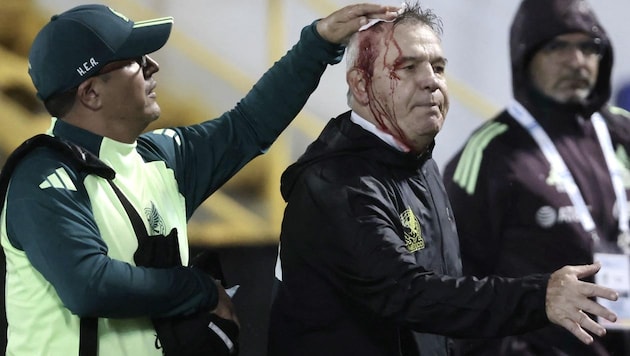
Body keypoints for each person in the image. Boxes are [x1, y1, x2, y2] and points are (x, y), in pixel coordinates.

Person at [0, 3, 400, 356]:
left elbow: (247, 125)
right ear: (91, 93)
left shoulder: (160, 157)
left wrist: (318, 42)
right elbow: (88, 285)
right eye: (133, 59)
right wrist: (200, 289)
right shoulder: (42, 178)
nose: (152, 64)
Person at [266, 2, 622, 356]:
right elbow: (413, 295)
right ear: (360, 84)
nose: (431, 82)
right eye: (406, 68)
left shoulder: (414, 161)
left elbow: (448, 295)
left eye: (438, 67)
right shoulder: (337, 186)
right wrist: (541, 296)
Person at [442, 0, 630, 354]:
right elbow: (456, 292)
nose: (576, 61)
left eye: (588, 46)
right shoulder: (488, 154)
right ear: (525, 56)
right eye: (557, 46)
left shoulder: (622, 133)